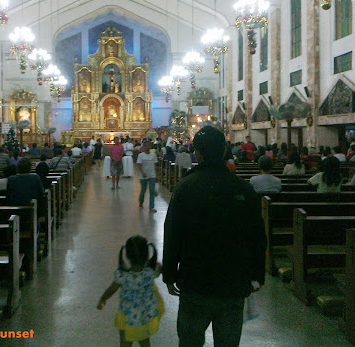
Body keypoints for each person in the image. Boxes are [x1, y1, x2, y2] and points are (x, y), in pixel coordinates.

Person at [163, 126, 266, 347]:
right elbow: (257, 235)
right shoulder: (243, 189)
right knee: (228, 342)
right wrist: (257, 274)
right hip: (233, 281)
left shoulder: (185, 187)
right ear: (223, 151)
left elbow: (173, 234)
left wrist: (170, 274)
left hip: (195, 280)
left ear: (197, 153)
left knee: (190, 341)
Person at [97, 235, 164, 346]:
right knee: (145, 342)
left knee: (125, 342)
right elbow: (160, 267)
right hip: (144, 315)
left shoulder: (122, 275)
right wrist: (155, 263)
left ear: (127, 255)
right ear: (147, 254)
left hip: (127, 315)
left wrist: (102, 299)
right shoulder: (151, 271)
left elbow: (112, 289)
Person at [137, 141, 158, 213]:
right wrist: (142, 173)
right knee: (143, 190)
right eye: (146, 146)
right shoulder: (141, 155)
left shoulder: (153, 155)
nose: (147, 147)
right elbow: (139, 165)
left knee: (152, 191)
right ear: (144, 147)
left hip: (152, 175)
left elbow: (155, 165)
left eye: (149, 146)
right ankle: (141, 202)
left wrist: (156, 175)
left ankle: (151, 207)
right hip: (143, 176)